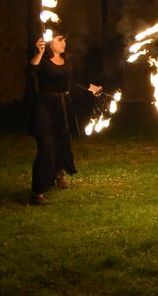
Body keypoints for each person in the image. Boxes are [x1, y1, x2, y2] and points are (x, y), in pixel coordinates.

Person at [26, 29, 102, 205]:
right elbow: (30, 71)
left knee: (61, 143)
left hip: (63, 107)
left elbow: (74, 81)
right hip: (45, 108)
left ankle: (58, 174)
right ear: (50, 42)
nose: (64, 43)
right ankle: (37, 193)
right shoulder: (43, 61)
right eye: (60, 40)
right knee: (46, 148)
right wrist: (39, 52)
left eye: (65, 40)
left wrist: (93, 88)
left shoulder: (67, 61)